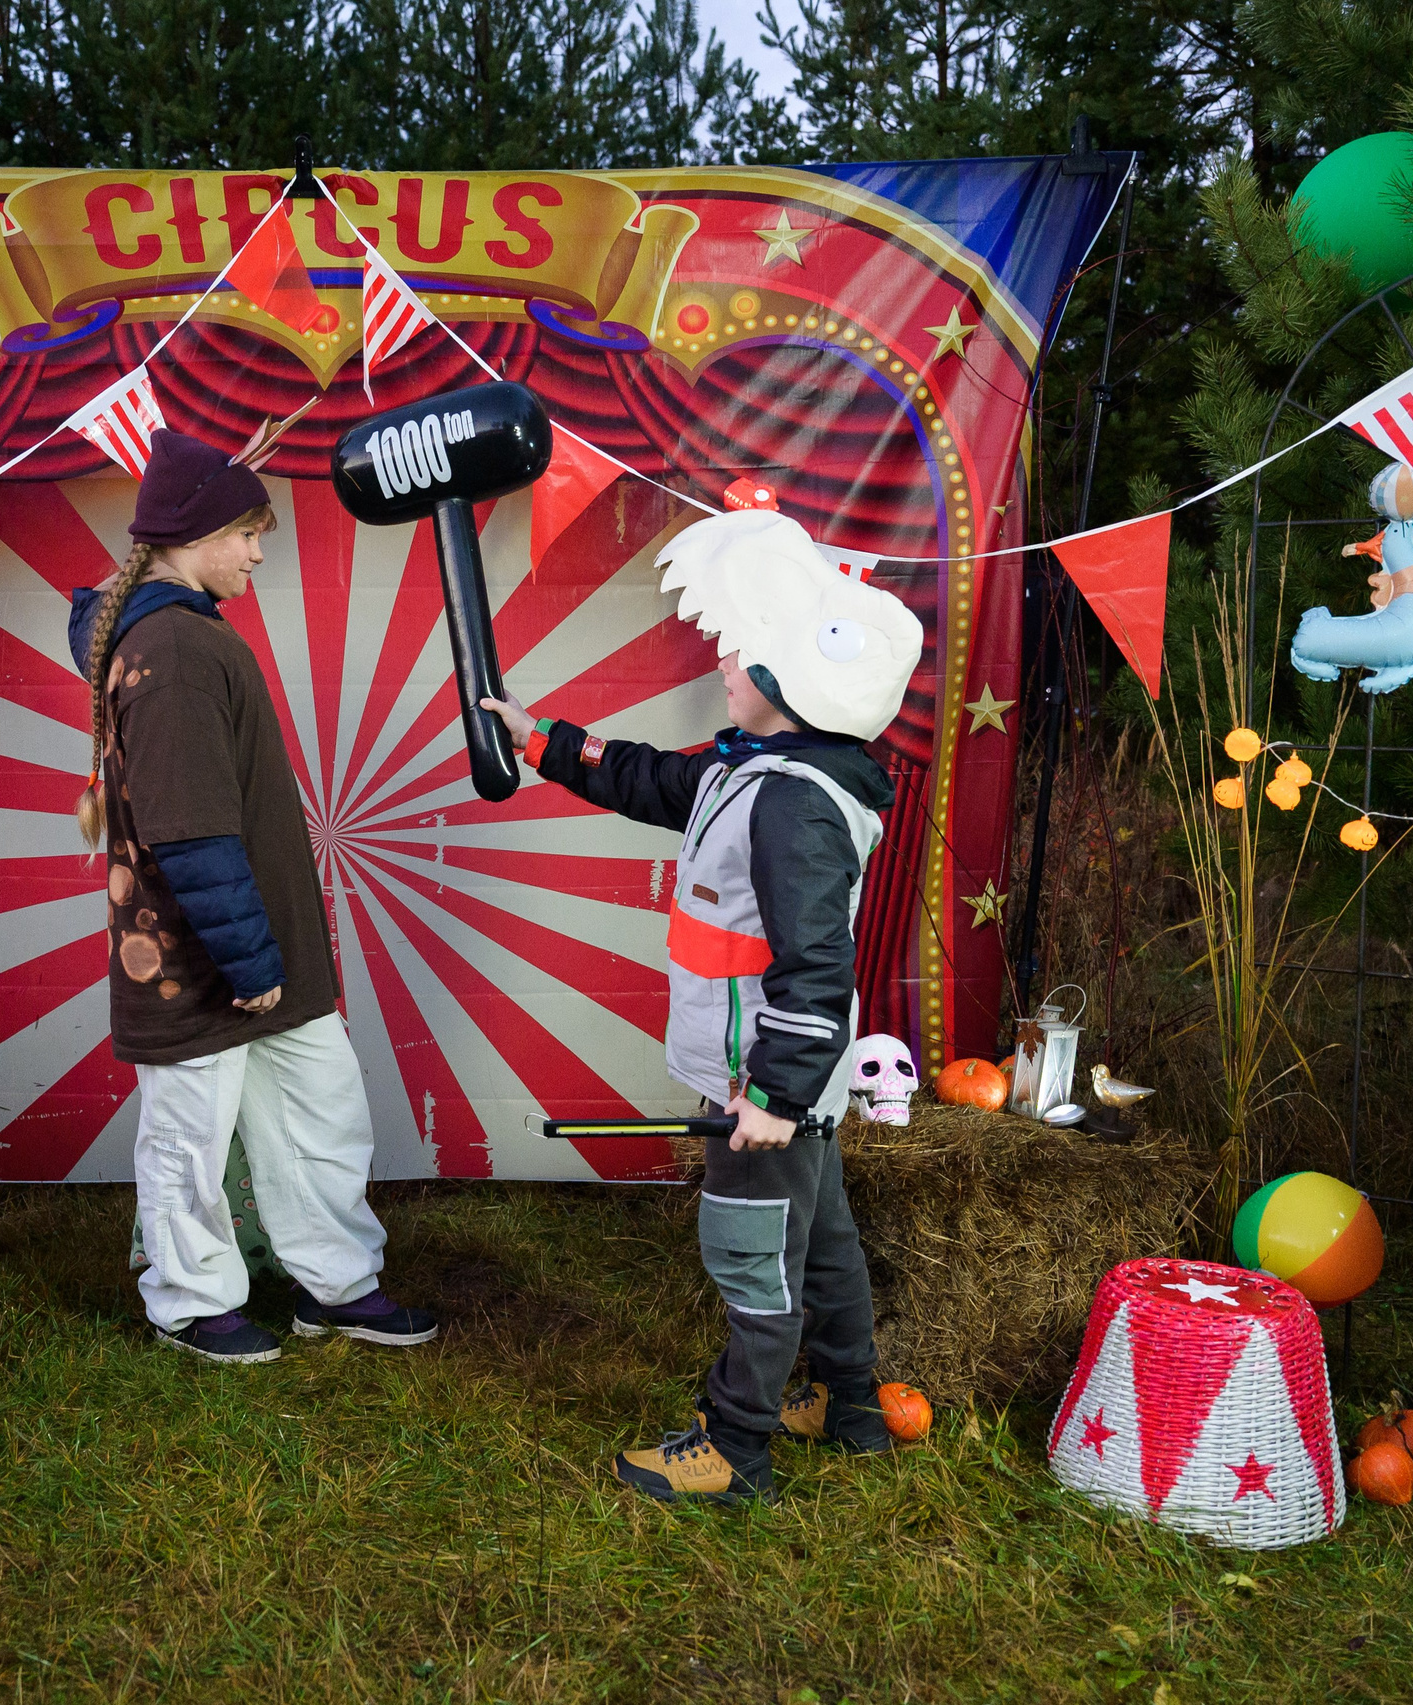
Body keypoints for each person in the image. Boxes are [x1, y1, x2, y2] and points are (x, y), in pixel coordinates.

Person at [479, 502, 923, 1503]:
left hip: (758, 1080)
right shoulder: (756, 770)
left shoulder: (794, 804)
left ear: (786, 679)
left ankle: (735, 1449)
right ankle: (849, 1405)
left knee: (752, 1252)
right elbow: (654, 779)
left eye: (738, 650)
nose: (721, 661)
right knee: (824, 1246)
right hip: (779, 1080)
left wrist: (771, 1093)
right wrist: (543, 741)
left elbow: (816, 964)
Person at [69, 429, 437, 1365]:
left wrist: (267, 959)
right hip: (207, 960)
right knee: (189, 1138)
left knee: (321, 1114)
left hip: (260, 951)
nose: (257, 555)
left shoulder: (189, 633)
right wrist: (249, 961)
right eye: (247, 534)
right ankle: (190, 1301)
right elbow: (189, 827)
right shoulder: (173, 648)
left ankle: (337, 1285)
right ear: (193, 534)